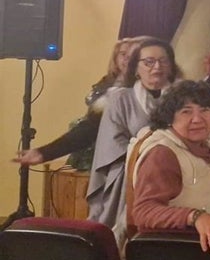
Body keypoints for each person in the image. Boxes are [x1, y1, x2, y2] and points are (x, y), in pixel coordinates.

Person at [87, 38, 181, 246]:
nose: (156, 67)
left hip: (173, 172)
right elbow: (112, 142)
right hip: (128, 175)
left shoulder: (182, 97)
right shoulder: (120, 99)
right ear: (136, 68)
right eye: (148, 62)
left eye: (163, 61)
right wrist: (148, 158)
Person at [128, 81, 210, 251]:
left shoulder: (200, 145)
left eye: (205, 110)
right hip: (180, 259)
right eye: (186, 112)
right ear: (170, 117)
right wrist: (195, 217)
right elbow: (144, 212)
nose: (197, 119)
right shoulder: (162, 153)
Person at [14, 36, 146, 168]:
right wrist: (44, 153)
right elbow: (88, 129)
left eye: (133, 55)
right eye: (123, 54)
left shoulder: (147, 89)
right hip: (115, 163)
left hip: (143, 159)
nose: (128, 58)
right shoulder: (107, 88)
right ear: (115, 58)